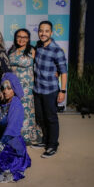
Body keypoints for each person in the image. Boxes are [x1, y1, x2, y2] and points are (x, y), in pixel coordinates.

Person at [32, 21, 67, 158]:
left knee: (51, 118)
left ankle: (52, 145)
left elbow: (63, 72)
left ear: (51, 33)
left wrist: (62, 91)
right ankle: (45, 140)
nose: (43, 33)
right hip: (38, 90)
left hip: (50, 91)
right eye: (41, 30)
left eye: (46, 31)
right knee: (40, 117)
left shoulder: (57, 50)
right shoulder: (38, 47)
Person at [8, 28, 43, 146]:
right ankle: (15, 134)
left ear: (28, 39)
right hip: (13, 89)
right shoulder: (11, 50)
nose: (21, 39)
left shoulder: (32, 51)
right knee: (15, 111)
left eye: (24, 37)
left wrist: (55, 72)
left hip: (27, 89)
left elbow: (41, 66)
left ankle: (27, 137)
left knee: (27, 112)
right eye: (19, 36)